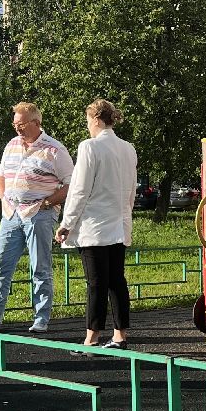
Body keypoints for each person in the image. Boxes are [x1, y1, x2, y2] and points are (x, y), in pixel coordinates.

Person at [0, 102, 73, 333]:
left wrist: (48, 202)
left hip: (39, 215)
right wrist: (4, 199)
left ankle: (41, 318)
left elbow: (71, 184)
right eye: (14, 124)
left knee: (40, 268)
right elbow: (1, 175)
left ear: (36, 123)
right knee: (0, 265)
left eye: (21, 124)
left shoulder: (55, 149)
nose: (17, 128)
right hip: (11, 213)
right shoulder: (12, 144)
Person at [57, 99, 138, 349]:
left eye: (87, 121)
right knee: (117, 281)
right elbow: (131, 190)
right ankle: (120, 335)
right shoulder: (128, 148)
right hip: (119, 224)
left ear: (95, 119)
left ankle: (91, 338)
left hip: (94, 227)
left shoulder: (89, 147)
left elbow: (80, 190)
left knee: (96, 283)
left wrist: (66, 223)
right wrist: (126, 215)